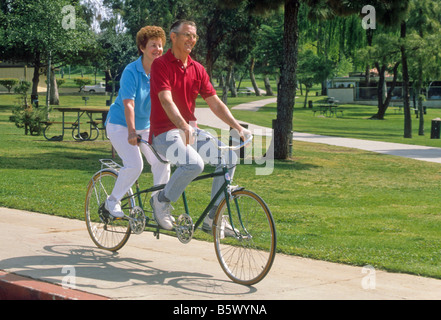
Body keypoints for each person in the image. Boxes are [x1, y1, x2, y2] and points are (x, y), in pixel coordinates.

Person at [149, 20, 251, 232]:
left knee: (229, 157)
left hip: (188, 132)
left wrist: (237, 127)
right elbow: (166, 100)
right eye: (187, 35)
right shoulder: (161, 65)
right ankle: (161, 200)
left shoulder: (197, 69)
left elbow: (214, 102)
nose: (191, 40)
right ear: (173, 37)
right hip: (163, 134)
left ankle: (213, 217)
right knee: (194, 164)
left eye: (194, 36)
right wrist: (182, 125)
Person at [104, 26, 170, 218]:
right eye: (153, 45)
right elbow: (129, 105)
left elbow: (166, 103)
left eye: (160, 45)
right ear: (142, 47)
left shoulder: (162, 72)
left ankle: (159, 204)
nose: (157, 49)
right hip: (120, 125)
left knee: (162, 161)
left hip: (145, 126)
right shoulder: (131, 71)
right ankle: (112, 201)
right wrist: (132, 132)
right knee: (135, 165)